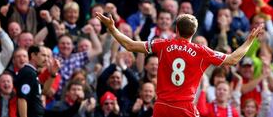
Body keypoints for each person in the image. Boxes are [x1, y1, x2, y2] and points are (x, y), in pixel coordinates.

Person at [96, 12, 263, 117]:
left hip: (162, 105)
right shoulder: (201, 51)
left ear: (176, 29)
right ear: (194, 32)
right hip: (184, 107)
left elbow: (130, 45)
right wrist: (249, 41)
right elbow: (233, 59)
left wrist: (112, 28)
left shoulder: (162, 44)